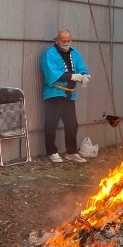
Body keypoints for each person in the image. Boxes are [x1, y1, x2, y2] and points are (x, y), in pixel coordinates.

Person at [40, 29, 90, 163]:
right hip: (54, 93)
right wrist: (73, 76)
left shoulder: (74, 52)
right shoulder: (50, 54)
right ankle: (51, 151)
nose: (66, 43)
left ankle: (71, 152)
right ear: (57, 40)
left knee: (72, 124)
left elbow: (81, 66)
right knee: (51, 123)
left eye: (68, 40)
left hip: (69, 94)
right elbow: (53, 73)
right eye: (63, 40)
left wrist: (84, 75)